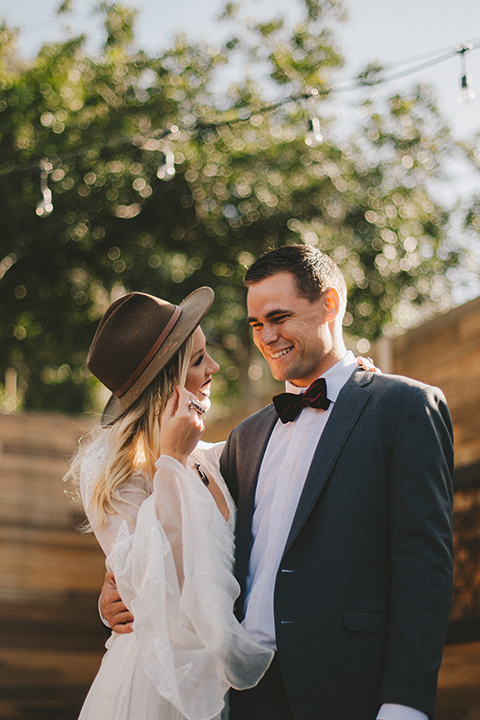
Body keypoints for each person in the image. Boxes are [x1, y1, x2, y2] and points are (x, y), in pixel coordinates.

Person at [102, 245, 454, 720]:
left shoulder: (404, 408)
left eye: (279, 317)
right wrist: (116, 590)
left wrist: (405, 704)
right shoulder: (245, 437)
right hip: (247, 693)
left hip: (353, 689)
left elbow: (424, 568)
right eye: (256, 324)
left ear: (330, 304)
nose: (267, 337)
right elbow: (190, 537)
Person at [66, 288, 273, 720]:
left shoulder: (210, 458)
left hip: (210, 681)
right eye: (198, 359)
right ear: (168, 382)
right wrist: (170, 460)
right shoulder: (109, 467)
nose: (213, 366)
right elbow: (151, 572)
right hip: (153, 685)